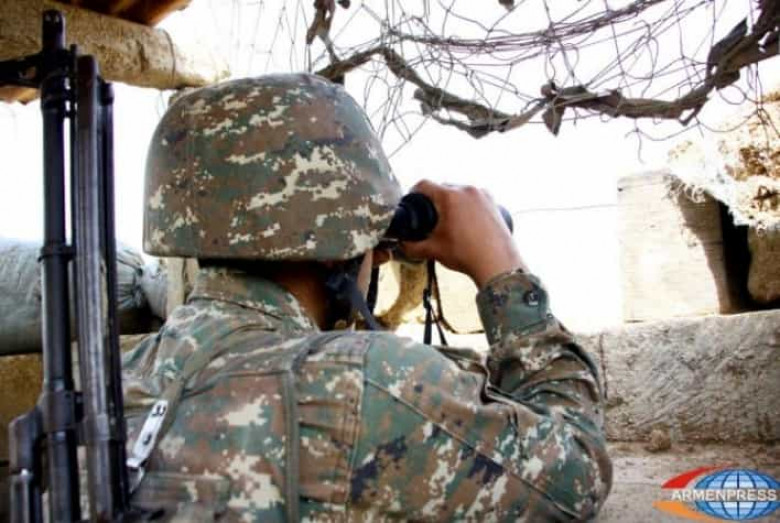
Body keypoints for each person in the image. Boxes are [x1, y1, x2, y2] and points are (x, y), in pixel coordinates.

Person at [122, 73, 612, 522]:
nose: (377, 256)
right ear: (337, 245)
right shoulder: (362, 383)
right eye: (371, 235)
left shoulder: (120, 377)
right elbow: (576, 473)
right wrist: (503, 269)